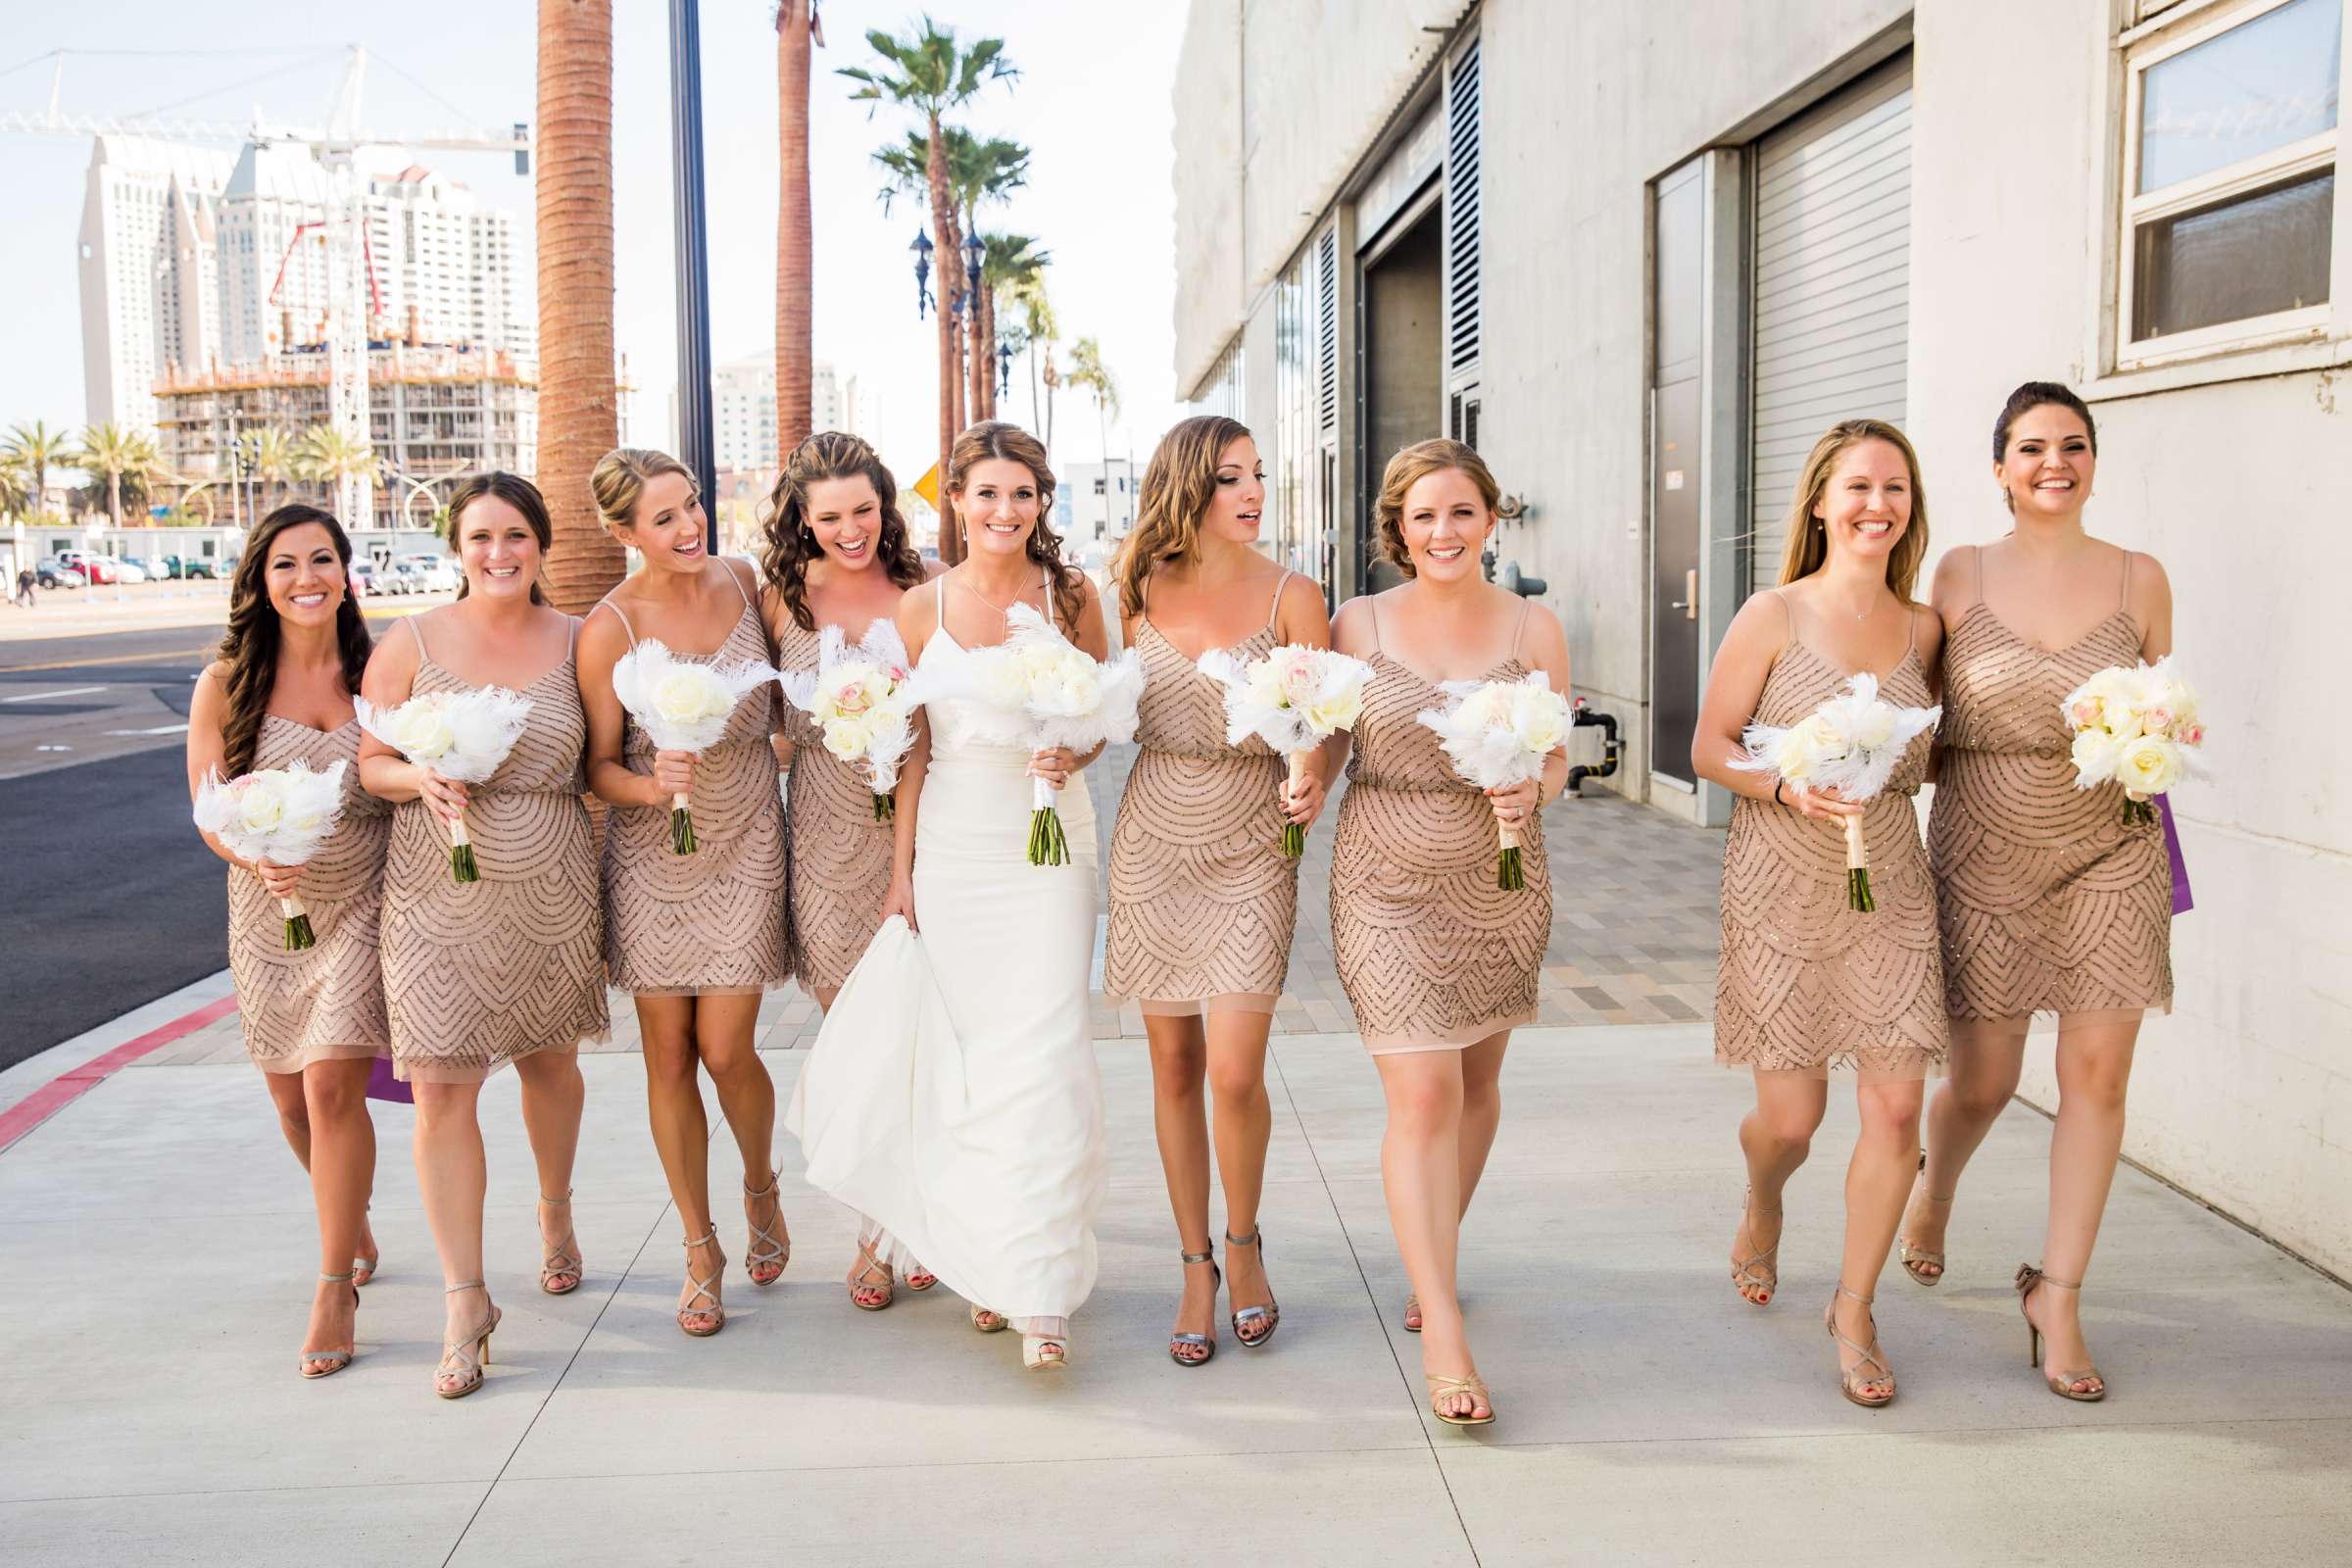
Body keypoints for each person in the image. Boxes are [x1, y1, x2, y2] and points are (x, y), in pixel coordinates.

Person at [785, 420, 1109, 1373]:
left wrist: (1073, 747)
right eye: (986, 494)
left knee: (1042, 1053)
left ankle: (1039, 1288)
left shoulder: (1074, 595)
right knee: (969, 1059)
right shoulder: (920, 610)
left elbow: (1099, 717)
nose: (1004, 511)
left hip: (1052, 837)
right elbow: (916, 745)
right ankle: (985, 1257)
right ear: (955, 502)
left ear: (1041, 501)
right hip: (959, 845)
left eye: (1022, 493)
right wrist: (901, 876)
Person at [1907, 382, 2174, 1402]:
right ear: (1999, 467)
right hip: (1982, 845)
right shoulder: (1960, 572)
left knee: (2097, 1080)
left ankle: (2056, 1295)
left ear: (2094, 461)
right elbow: (1919, 708)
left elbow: (2161, 702)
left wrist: (2164, 738)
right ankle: (1934, 1193)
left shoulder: (2141, 577)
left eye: (2072, 444)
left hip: (2112, 846)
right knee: (1980, 1081)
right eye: (2030, 447)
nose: (2052, 462)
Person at [1692, 418, 1947, 1408]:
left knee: (1893, 1107)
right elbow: (1712, 746)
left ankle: (1853, 1306)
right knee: (1793, 1121)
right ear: (1819, 501)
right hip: (1780, 875)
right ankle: (1762, 1199)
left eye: (1895, 488)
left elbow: (1936, 759)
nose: (1877, 504)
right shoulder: (1773, 612)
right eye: (1858, 487)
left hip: (1888, 875)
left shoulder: (1925, 629)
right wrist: (1785, 784)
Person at [1324, 438, 1570, 1427]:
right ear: (1399, 526)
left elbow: (1553, 758)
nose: (1443, 532)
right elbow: (1333, 737)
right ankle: (1446, 1331)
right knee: (1422, 1089)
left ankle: (1434, 1254)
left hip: (1501, 876)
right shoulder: (1357, 621)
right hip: (1384, 872)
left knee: (1475, 1083)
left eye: (1462, 512)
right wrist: (1303, 773)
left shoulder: (1533, 625)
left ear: (1490, 519)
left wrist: (1534, 788)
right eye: (1425, 515)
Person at [360, 471, 603, 1398]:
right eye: (480, 539)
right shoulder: (411, 640)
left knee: (550, 1066)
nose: (498, 554)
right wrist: (413, 779)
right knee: (440, 1094)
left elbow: (606, 756)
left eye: (515, 536)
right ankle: (466, 1299)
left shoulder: (580, 639)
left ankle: (554, 1211)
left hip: (549, 883)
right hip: (432, 893)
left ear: (540, 544)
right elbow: (369, 757)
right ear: (455, 549)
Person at [1102, 415, 1329, 1366]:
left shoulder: (1295, 593)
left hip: (1250, 836)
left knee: (1235, 1069)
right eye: (1231, 476)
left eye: (1258, 477)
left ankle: (1245, 1243)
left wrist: (1313, 765)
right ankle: (1194, 1262)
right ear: (1188, 485)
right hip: (1155, 833)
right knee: (1175, 1067)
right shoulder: (1133, 587)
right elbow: (1099, 708)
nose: (1251, 493)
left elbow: (1325, 716)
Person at [579, 447, 793, 1338]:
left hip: (745, 833)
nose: (688, 526)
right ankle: (699, 1248)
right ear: (625, 533)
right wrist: (651, 783)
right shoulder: (610, 626)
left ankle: (759, 1184)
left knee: (727, 1048)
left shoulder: (748, 584)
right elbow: (595, 767)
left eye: (692, 504)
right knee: (667, 1056)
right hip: (652, 850)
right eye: (662, 517)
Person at [186, 503, 388, 1378]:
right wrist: (251, 853)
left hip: (365, 902)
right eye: (285, 565)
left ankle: (332, 1284)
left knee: (336, 1086)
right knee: (292, 1104)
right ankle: (353, 1221)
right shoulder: (226, 681)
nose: (306, 579)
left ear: (347, 573)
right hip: (269, 908)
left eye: (322, 560)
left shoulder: (380, 671)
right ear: (259, 582)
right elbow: (206, 806)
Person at [759, 430, 940, 1310]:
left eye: (863, 510)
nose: (850, 530)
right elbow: (770, 725)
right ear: (802, 518)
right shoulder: (780, 601)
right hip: (823, 839)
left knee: (926, 1037)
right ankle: (878, 1223)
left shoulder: (924, 590)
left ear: (885, 503)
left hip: (923, 829)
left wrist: (905, 868)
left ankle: (910, 1228)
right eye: (828, 516)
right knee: (857, 1042)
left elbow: (934, 736)